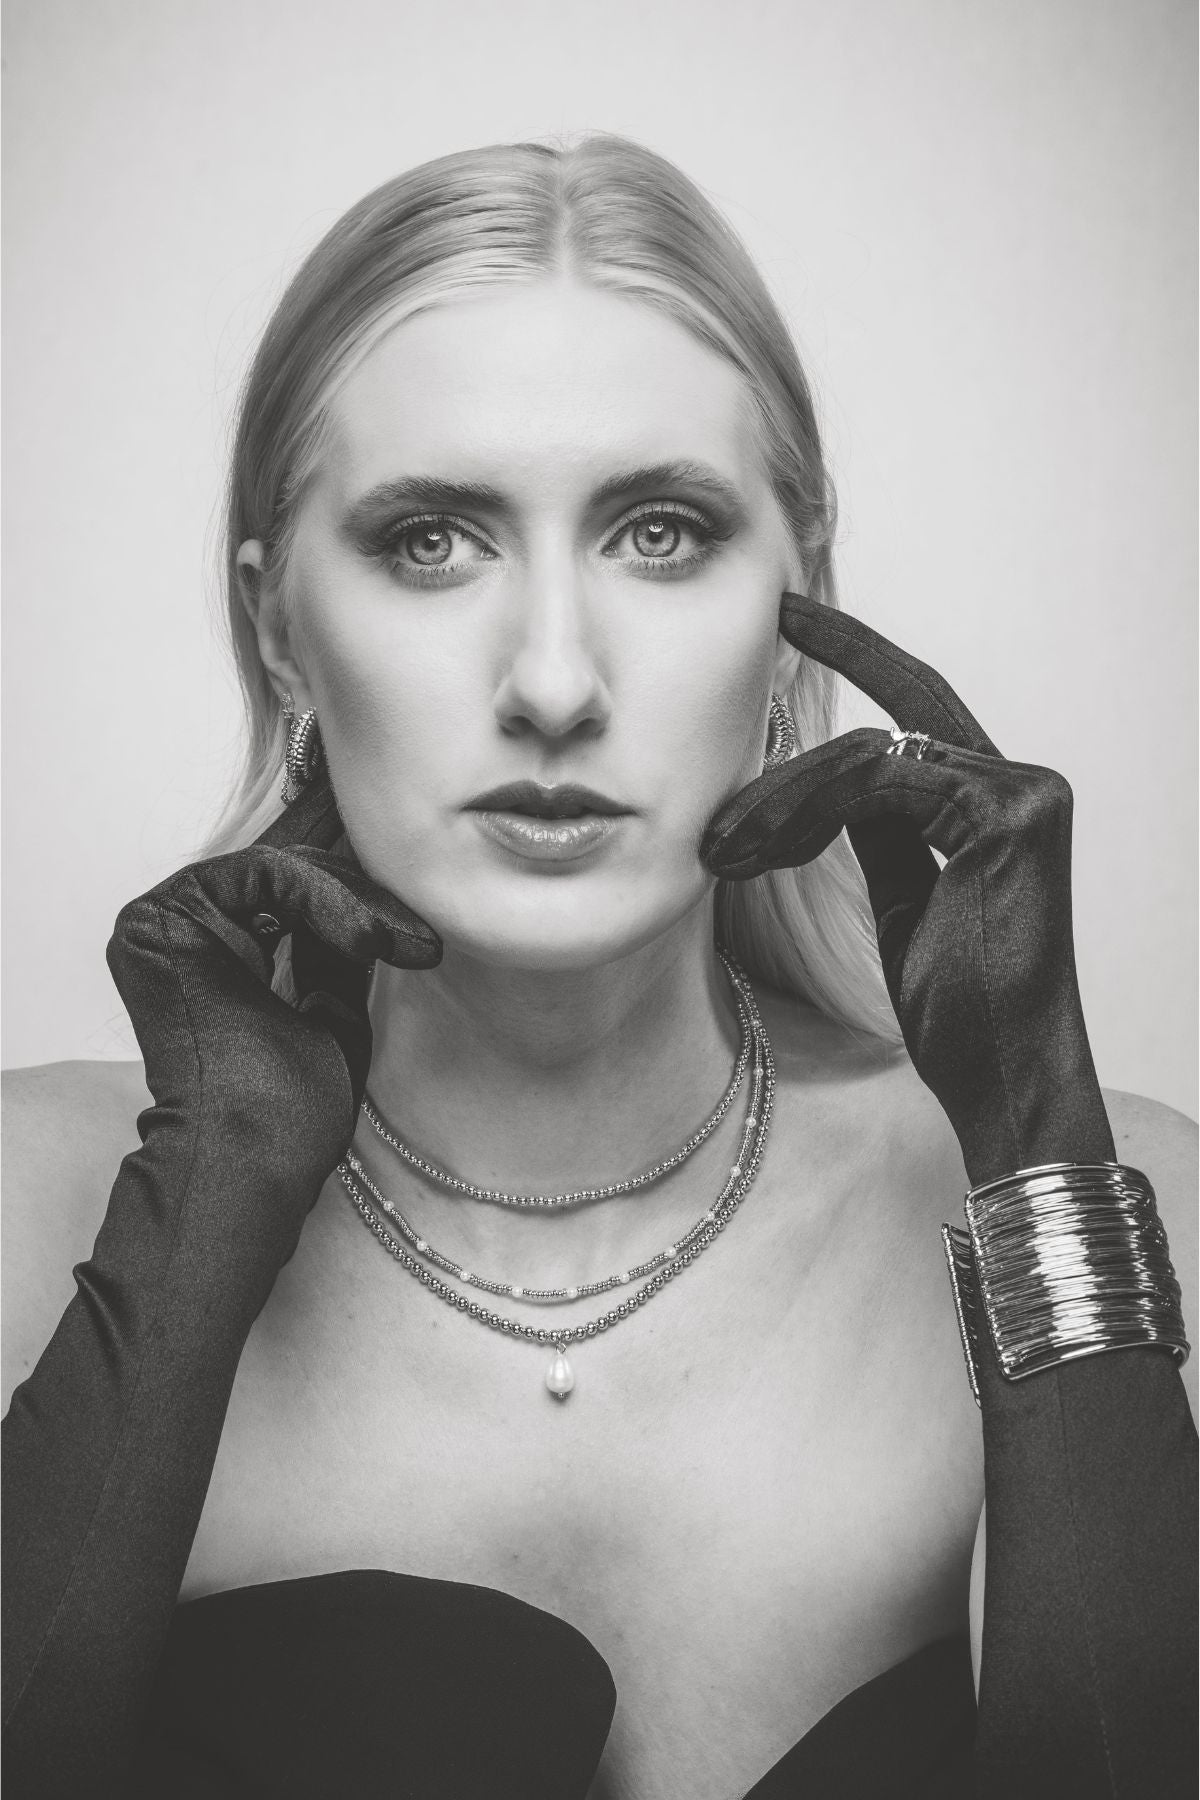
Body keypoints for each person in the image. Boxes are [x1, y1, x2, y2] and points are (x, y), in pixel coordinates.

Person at [2, 135, 1195, 1799]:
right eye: (431, 539)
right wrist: (195, 1218)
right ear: (280, 626)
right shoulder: (22, 1211)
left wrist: (1041, 1155)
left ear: (798, 591)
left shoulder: (1131, 1202)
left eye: (660, 531)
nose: (554, 680)